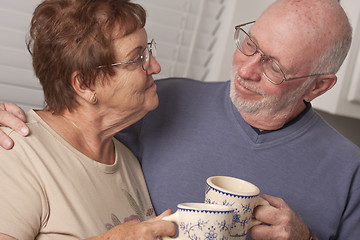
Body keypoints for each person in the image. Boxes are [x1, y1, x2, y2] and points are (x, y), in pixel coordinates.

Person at [1, 0, 360, 239]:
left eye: (275, 67)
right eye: (249, 43)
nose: (247, 69)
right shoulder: (160, 104)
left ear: (318, 86)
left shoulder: (350, 171)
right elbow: (62, 130)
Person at [0, 0, 176, 239]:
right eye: (137, 58)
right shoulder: (16, 155)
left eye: (148, 51)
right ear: (84, 84)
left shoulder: (127, 160)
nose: (155, 66)